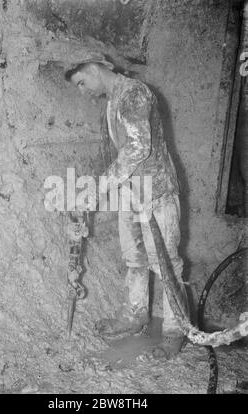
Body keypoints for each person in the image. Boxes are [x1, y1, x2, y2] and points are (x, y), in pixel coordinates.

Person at [64, 56, 189, 359]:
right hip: (132, 195)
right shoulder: (112, 100)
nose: (83, 91)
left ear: (94, 68)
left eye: (82, 82)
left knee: (166, 265)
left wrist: (100, 186)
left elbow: (137, 148)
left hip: (157, 194)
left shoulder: (133, 92)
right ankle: (136, 315)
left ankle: (175, 332)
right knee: (134, 259)